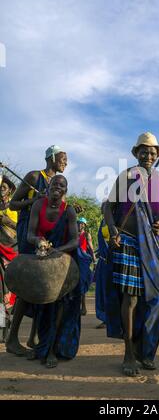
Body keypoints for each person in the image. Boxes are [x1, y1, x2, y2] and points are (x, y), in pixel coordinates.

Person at [104, 132, 159, 377]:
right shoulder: (127, 176)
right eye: (143, 151)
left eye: (152, 152)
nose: (148, 155)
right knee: (132, 298)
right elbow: (108, 206)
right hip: (127, 241)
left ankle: (144, 349)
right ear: (136, 153)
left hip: (151, 243)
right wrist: (113, 229)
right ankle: (128, 353)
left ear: (157, 155)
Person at [6, 145, 68, 356]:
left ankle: (34, 337)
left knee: (43, 284)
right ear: (51, 158)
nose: (65, 163)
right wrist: (36, 199)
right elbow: (12, 205)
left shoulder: (58, 184)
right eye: (62, 158)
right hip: (29, 234)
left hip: (48, 237)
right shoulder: (34, 177)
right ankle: (12, 338)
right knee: (28, 283)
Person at [26, 175, 81, 368]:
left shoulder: (69, 211)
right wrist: (39, 242)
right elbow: (30, 233)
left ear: (65, 190)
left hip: (62, 260)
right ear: (48, 186)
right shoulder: (38, 205)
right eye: (55, 183)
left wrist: (58, 250)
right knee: (41, 304)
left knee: (58, 306)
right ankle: (41, 346)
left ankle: (51, 350)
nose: (58, 187)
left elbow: (75, 240)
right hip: (41, 257)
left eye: (62, 185)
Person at [0, 176, 18, 342]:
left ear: (10, 189)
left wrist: (4, 220)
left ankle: (9, 328)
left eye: (4, 187)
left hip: (11, 250)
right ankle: (1, 329)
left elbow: (19, 226)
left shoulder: (14, 206)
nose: (1, 190)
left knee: (11, 289)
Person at [77, 217, 96, 316]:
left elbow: (91, 249)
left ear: (84, 225)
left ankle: (83, 307)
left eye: (82, 224)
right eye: (79, 223)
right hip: (75, 260)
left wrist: (95, 261)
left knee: (82, 284)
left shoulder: (86, 235)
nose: (80, 225)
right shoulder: (74, 235)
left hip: (83, 261)